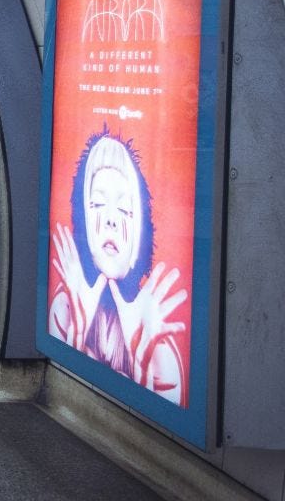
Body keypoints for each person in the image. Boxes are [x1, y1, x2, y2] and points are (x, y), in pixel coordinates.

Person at [48, 128, 188, 404]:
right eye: (98, 204)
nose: (111, 219)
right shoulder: (65, 307)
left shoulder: (157, 340)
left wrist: (144, 355)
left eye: (125, 209)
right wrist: (77, 326)